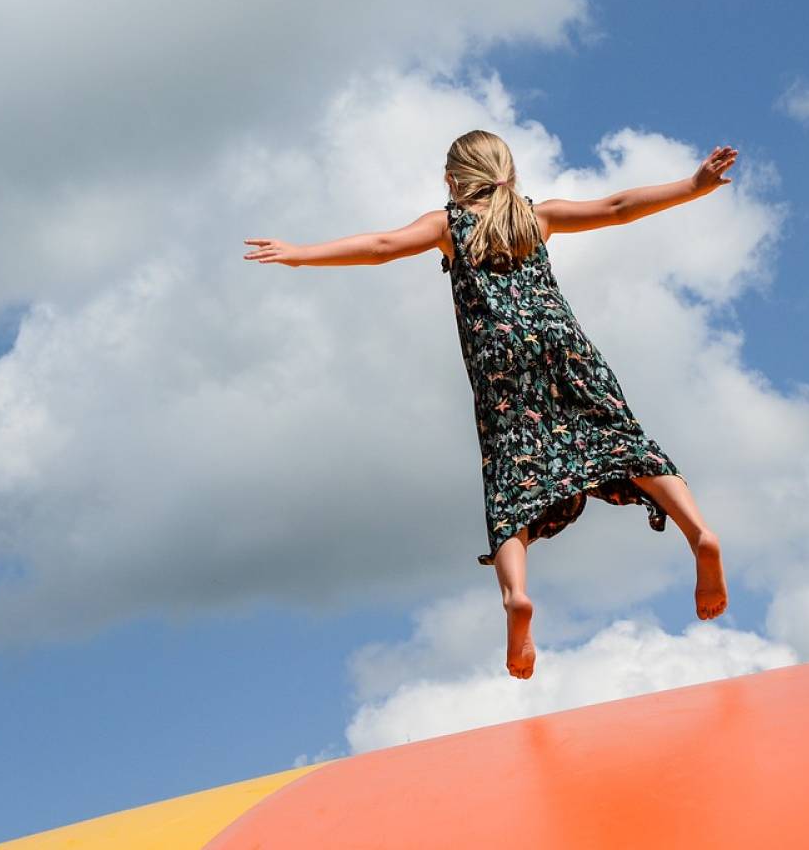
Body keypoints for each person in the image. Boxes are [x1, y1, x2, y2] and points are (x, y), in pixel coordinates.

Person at [244, 129, 736, 679]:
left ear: (453, 181)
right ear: (509, 171)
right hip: (562, 345)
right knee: (626, 441)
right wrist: (694, 185)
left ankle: (517, 598)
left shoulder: (448, 226)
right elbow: (618, 207)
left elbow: (381, 248)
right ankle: (699, 533)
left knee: (510, 479)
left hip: (500, 367)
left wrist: (301, 256)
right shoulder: (536, 217)